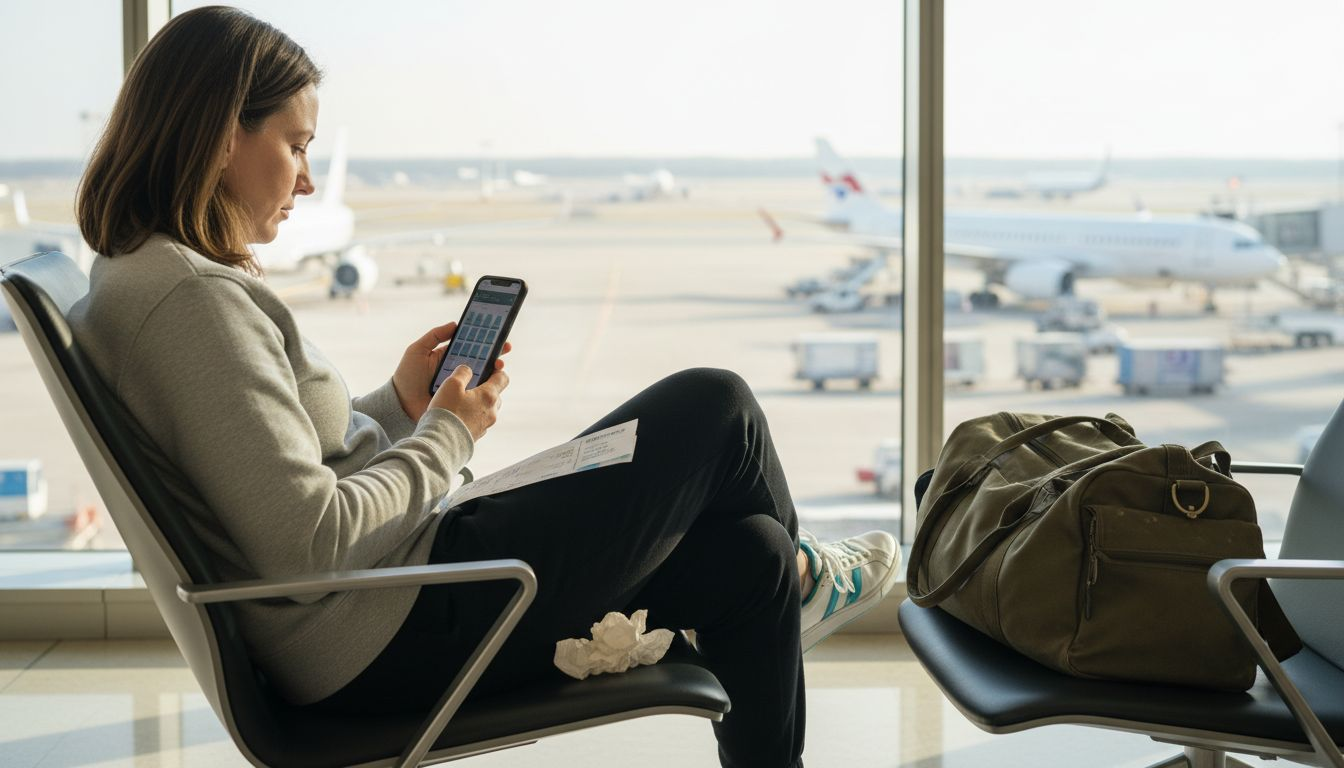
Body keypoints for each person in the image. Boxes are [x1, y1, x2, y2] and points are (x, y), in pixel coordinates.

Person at [68, 7, 901, 767]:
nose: (309, 178)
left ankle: (789, 575)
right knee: (715, 406)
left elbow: (274, 470)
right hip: (397, 630)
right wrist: (448, 435)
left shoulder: (150, 279)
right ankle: (810, 580)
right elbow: (307, 544)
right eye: (295, 145)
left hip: (402, 598)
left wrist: (397, 406)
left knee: (746, 559)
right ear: (220, 136)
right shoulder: (191, 301)